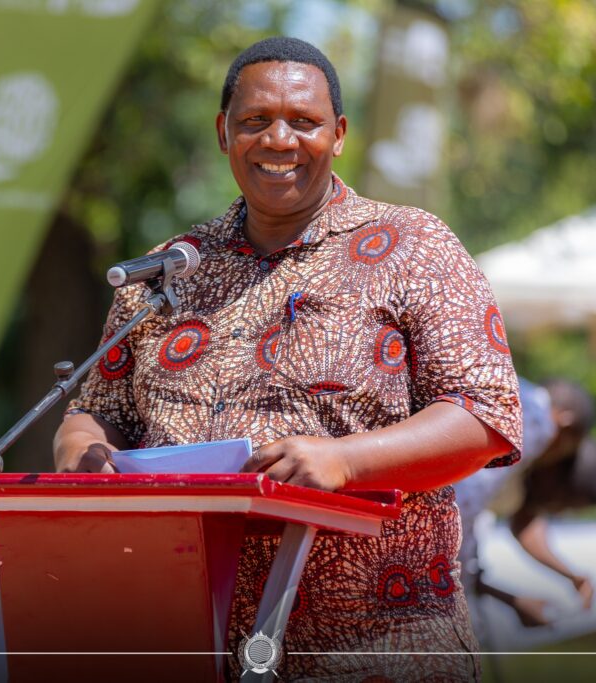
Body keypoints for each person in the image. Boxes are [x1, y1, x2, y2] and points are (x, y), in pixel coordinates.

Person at [54, 36, 522, 681]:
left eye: (303, 121)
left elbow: (485, 417)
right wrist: (82, 451)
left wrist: (344, 460)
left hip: (374, 648)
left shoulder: (415, 246)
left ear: (339, 135)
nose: (278, 140)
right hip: (188, 641)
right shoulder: (168, 269)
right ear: (223, 132)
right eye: (255, 120)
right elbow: (98, 411)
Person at [454, 379, 596, 634]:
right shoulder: (538, 424)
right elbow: (462, 505)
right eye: (563, 505)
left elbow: (524, 520)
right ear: (565, 425)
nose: (557, 512)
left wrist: (570, 575)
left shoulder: (522, 460)